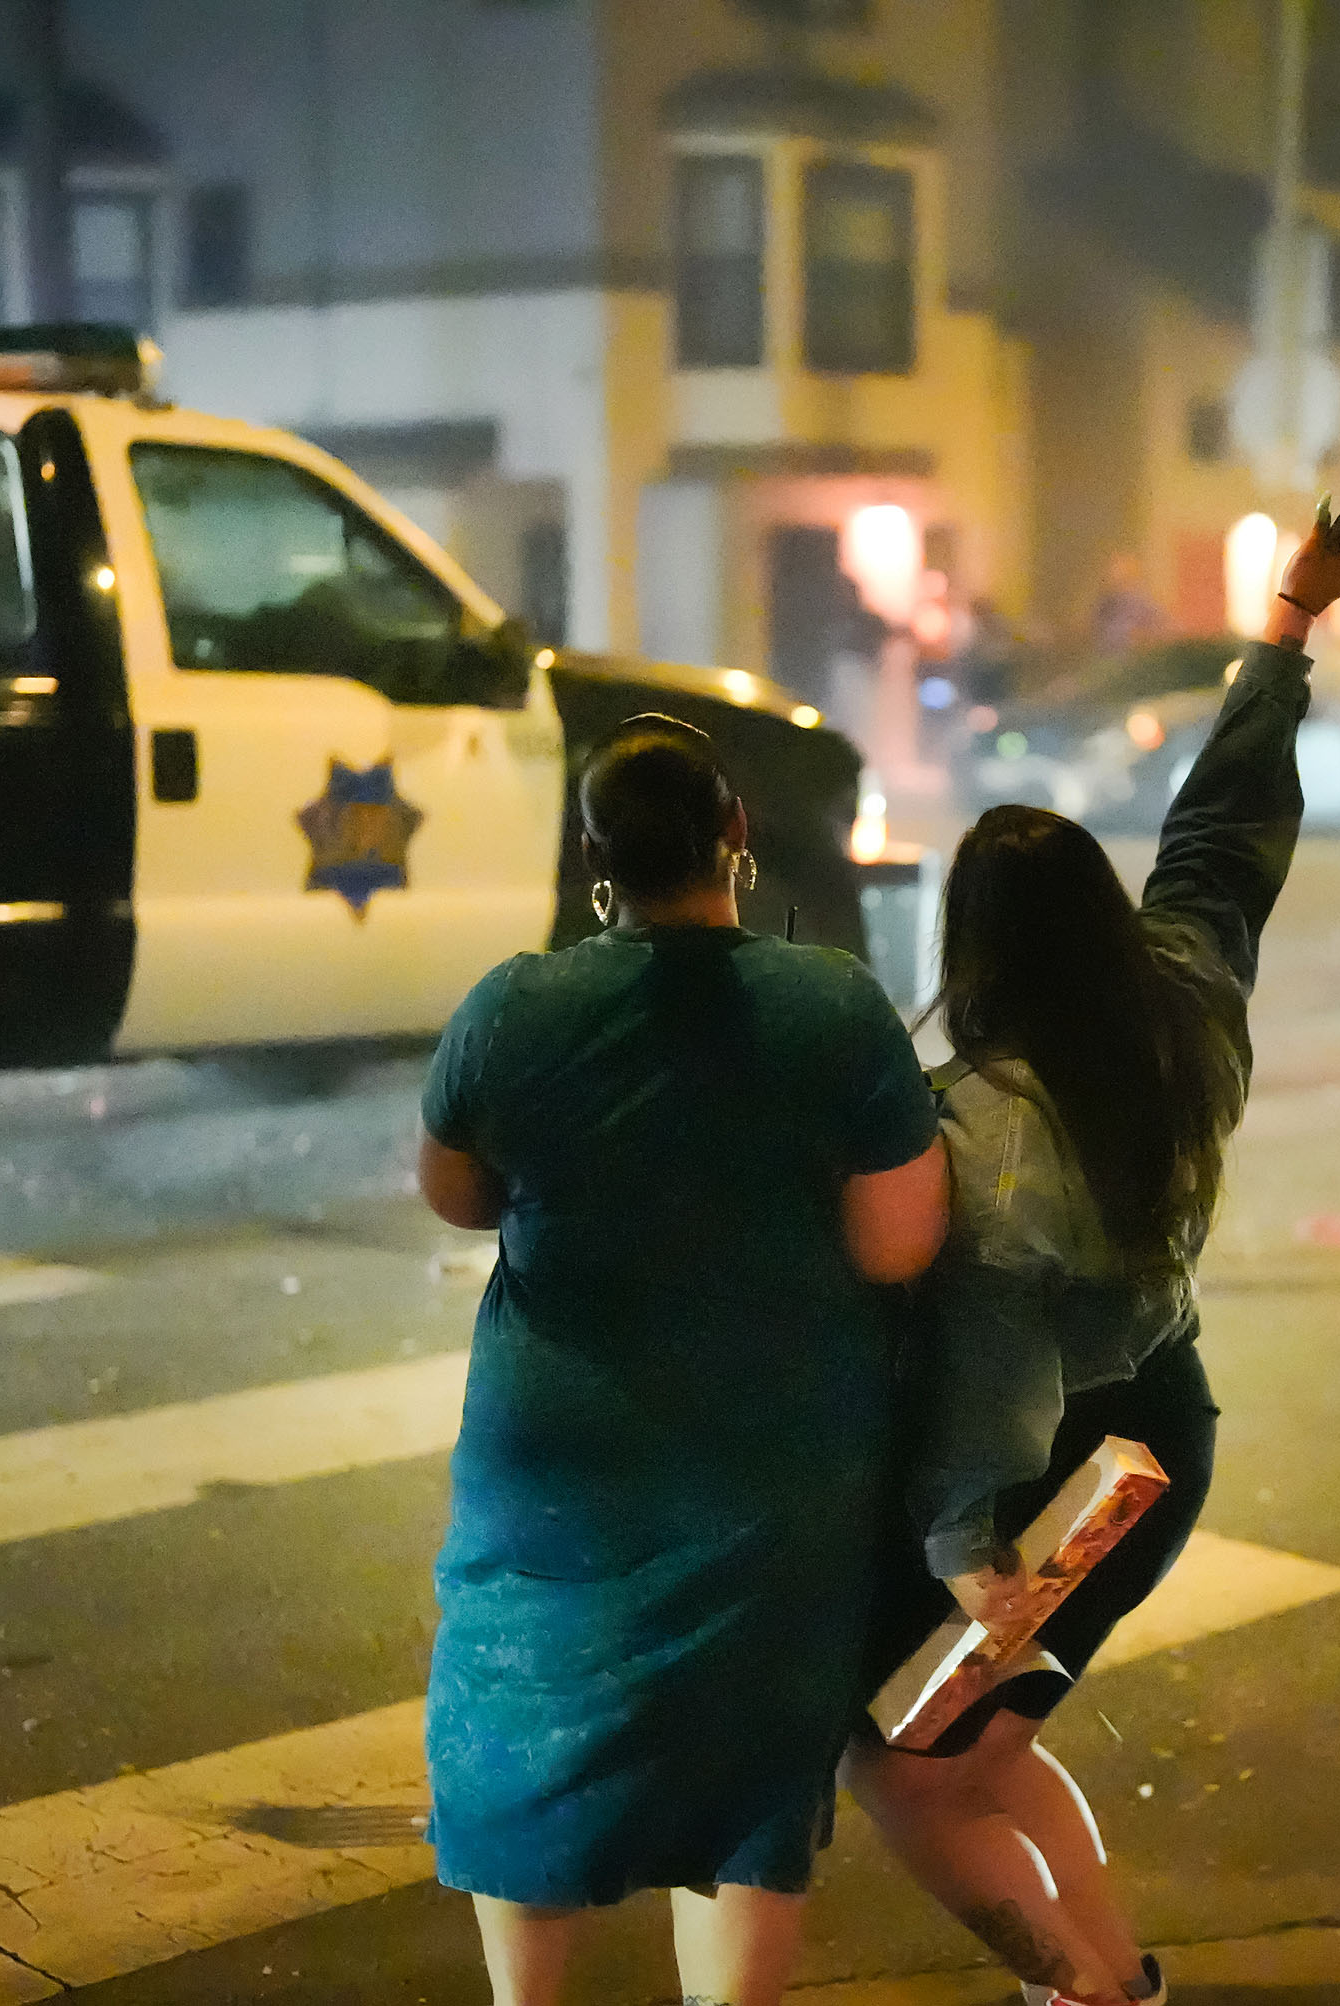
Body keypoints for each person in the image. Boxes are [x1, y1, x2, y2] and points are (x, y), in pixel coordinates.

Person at [846, 500, 1340, 2004]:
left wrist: (966, 1556)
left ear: (972, 959)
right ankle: (1108, 1986)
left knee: (906, 1768)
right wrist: (1286, 627)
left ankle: (1077, 1990)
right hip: (1162, 1446)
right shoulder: (1183, 996)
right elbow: (1223, 836)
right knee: (985, 1748)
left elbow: (992, 1390)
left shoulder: (978, 1136)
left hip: (1054, 1484)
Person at [416, 714, 949, 2006]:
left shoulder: (514, 1004)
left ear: (593, 851)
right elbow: (897, 1244)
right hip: (766, 1468)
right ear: (738, 837)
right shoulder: (829, 1003)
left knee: (529, 1737)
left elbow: (456, 1193)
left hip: (557, 1464)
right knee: (747, 1768)